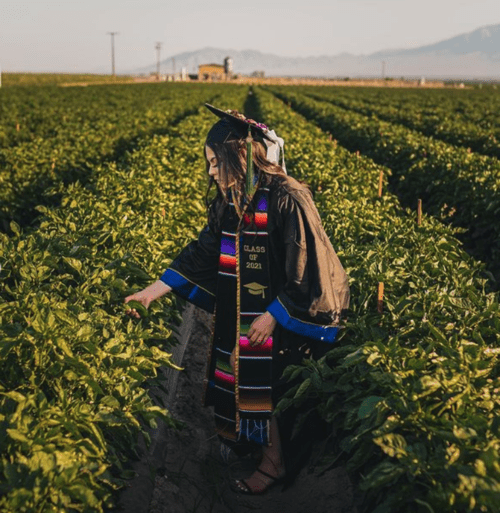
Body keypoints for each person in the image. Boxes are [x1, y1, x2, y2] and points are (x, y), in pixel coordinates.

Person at [125, 104, 350, 495]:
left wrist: (272, 316)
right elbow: (205, 250)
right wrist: (152, 291)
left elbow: (305, 266)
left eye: (215, 162)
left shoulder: (287, 197)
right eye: (209, 163)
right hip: (255, 308)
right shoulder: (235, 199)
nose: (211, 172)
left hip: (288, 310)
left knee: (260, 371)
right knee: (241, 360)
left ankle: (274, 464)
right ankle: (256, 444)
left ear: (238, 157)